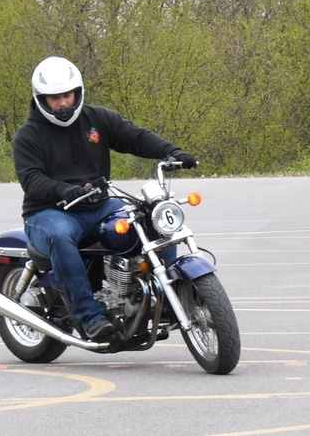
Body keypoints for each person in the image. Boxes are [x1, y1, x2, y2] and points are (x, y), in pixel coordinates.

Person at [12, 56, 198, 341]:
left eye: (67, 95)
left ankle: (165, 297)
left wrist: (171, 151)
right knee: (61, 235)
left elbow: (135, 136)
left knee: (150, 219)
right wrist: (63, 190)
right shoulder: (28, 136)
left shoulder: (96, 119)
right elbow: (32, 179)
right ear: (41, 99)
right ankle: (90, 317)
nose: (63, 103)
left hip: (99, 206)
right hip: (49, 212)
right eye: (54, 98)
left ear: (77, 92)